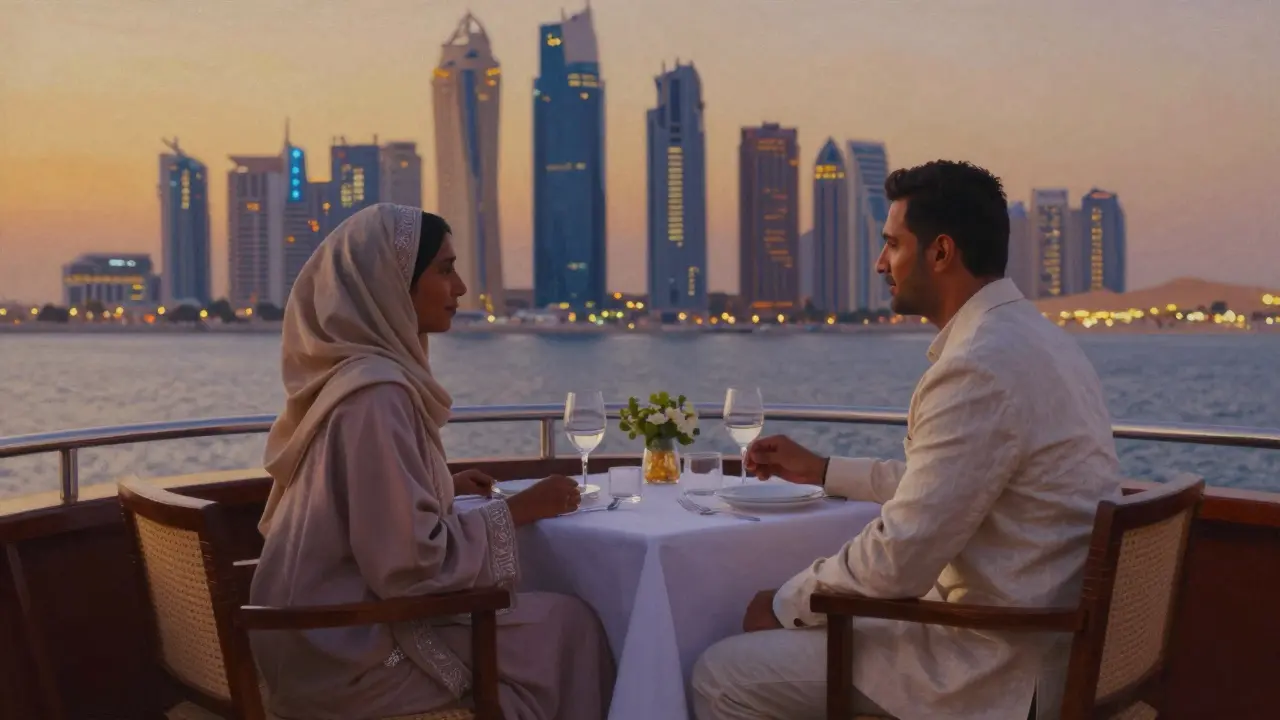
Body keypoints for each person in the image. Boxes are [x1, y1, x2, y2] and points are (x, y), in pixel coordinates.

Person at [692, 161, 1122, 720]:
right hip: (1050, 647)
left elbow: (899, 560)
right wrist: (824, 470)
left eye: (893, 244)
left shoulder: (978, 365)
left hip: (991, 668)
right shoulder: (1044, 343)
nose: (881, 263)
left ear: (940, 252)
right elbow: (951, 484)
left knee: (721, 675)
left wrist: (784, 603)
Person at [250, 204, 612, 720]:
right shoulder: (376, 396)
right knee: (571, 625)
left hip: (308, 632)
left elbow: (359, 502)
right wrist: (520, 509)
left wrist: (436, 484)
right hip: (349, 653)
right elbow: (409, 567)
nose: (460, 287)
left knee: (546, 619)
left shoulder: (350, 380)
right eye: (444, 269)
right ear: (391, 286)